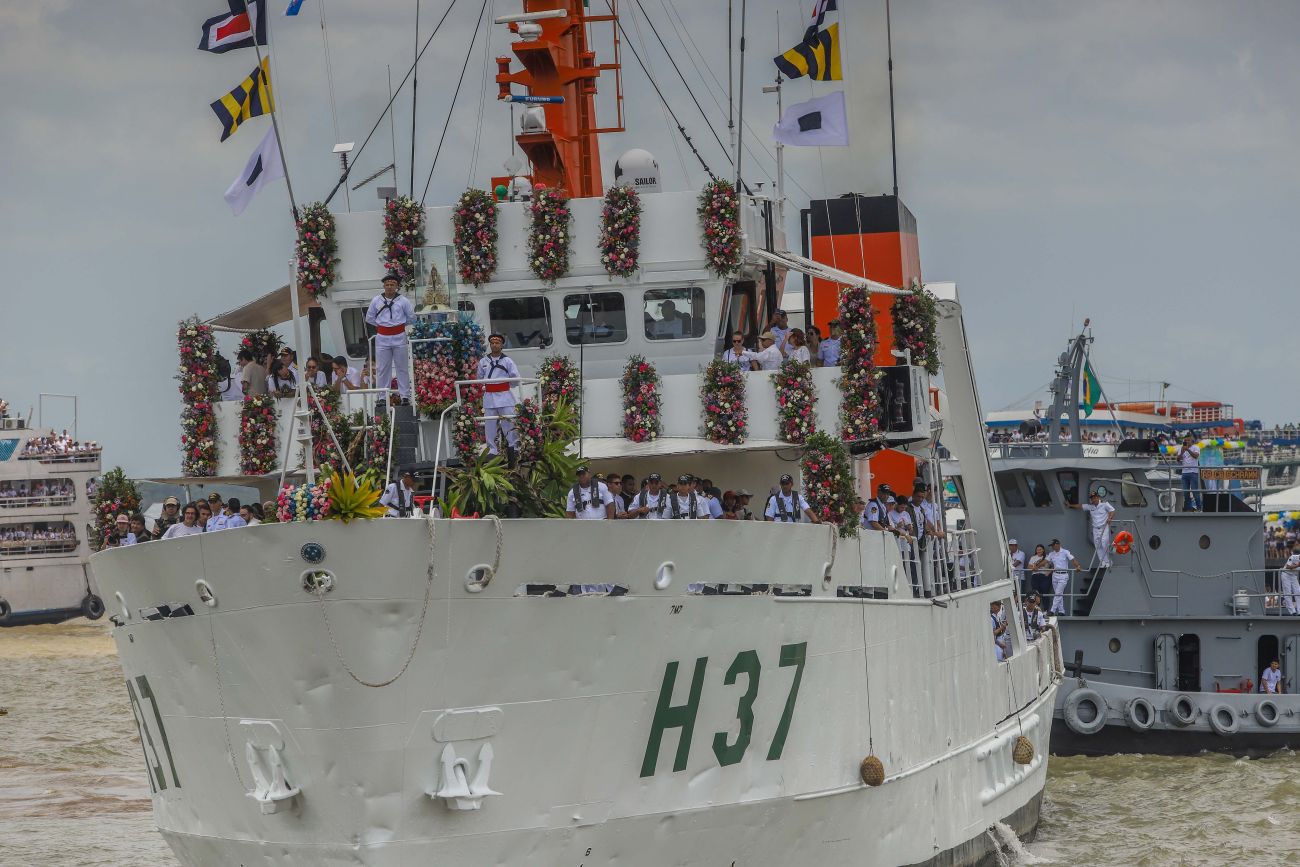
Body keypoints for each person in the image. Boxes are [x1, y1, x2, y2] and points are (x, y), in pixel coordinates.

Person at [366, 273, 416, 405]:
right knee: (382, 368)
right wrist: (383, 326)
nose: (389, 287)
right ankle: (382, 397)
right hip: (382, 337)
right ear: (383, 286)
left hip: (399, 336)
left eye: (392, 284)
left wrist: (398, 325)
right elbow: (369, 318)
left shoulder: (403, 301)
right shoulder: (376, 300)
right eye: (387, 284)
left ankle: (405, 396)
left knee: (402, 367)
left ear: (397, 286)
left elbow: (412, 317)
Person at [477, 333, 521, 457]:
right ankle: (492, 450)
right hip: (489, 397)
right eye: (492, 343)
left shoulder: (507, 361)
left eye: (497, 343)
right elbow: (479, 378)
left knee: (509, 423)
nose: (494, 345)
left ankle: (514, 447)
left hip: (505, 396)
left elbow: (515, 378)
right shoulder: (483, 361)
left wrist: (505, 385)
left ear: (501, 345)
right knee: (490, 425)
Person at [1070, 490, 1115, 568]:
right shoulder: (1090, 506)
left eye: (1095, 498)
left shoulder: (1104, 504)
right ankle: (1103, 562)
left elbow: (1112, 510)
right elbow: (1080, 506)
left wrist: (1110, 518)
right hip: (1095, 529)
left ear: (1098, 497)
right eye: (1092, 498)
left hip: (1104, 527)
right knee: (1098, 546)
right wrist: (1070, 505)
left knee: (1104, 544)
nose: (1093, 499)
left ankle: (1108, 561)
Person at [1044, 538, 1082, 615]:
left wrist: (1078, 566)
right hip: (1055, 575)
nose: (1052, 547)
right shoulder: (1051, 554)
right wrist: (1036, 566)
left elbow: (1072, 559)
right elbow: (1045, 561)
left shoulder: (1065, 552)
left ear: (1058, 544)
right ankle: (1061, 611)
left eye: (1053, 545)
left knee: (1058, 593)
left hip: (1063, 575)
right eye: (1051, 546)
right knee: (1058, 594)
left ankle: (1052, 610)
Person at [1176, 433, 1202, 511]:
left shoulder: (1196, 447)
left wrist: (1188, 449)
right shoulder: (1181, 448)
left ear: (1192, 441)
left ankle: (1199, 508)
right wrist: (1182, 452)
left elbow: (1196, 456)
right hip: (1184, 473)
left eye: (1188, 440)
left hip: (1193, 472)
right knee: (1186, 493)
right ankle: (1189, 509)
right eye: (1185, 440)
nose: (1187, 441)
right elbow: (1178, 460)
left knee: (1195, 492)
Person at [1278, 548, 1300, 616]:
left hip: (1294, 576)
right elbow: (1288, 567)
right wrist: (1297, 565)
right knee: (1288, 593)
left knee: (1298, 592)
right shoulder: (1293, 557)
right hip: (1286, 574)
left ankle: (1299, 611)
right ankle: (1292, 611)